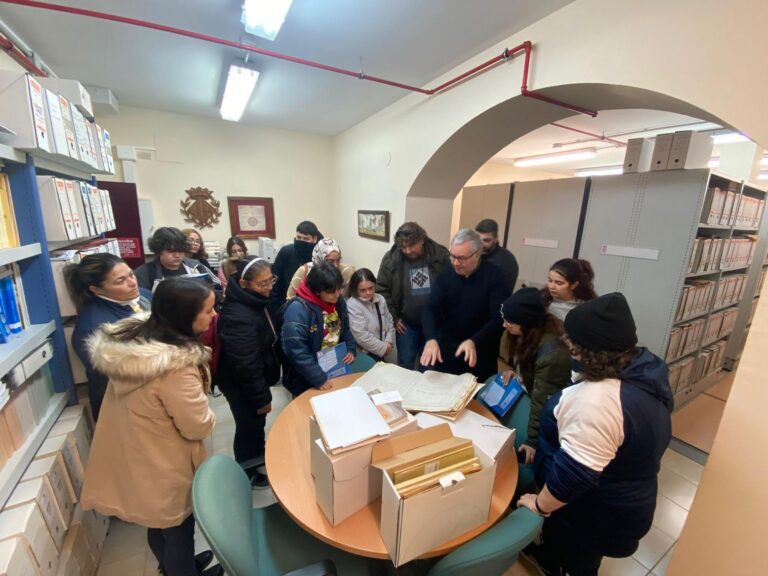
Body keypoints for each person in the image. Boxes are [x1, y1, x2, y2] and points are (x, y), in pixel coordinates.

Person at [518, 293, 673, 576]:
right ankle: (551, 557)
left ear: (587, 350)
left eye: (571, 341)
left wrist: (539, 504)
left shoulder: (597, 401)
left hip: (592, 512)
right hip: (621, 493)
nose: (566, 346)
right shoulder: (643, 369)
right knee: (570, 551)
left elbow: (575, 475)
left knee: (577, 562)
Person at [81, 279, 221, 576]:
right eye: (208, 310)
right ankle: (181, 571)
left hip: (139, 453)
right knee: (178, 530)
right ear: (184, 316)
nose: (214, 316)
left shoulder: (138, 342)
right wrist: (211, 416)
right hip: (163, 460)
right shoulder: (175, 367)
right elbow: (197, 426)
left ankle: (174, 567)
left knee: (157, 523)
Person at [215, 257, 280, 489]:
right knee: (248, 426)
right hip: (240, 383)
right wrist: (262, 397)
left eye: (270, 280)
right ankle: (247, 472)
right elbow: (245, 363)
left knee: (255, 425)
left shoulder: (254, 300)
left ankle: (257, 461)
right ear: (244, 283)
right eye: (262, 283)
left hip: (253, 376)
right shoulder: (237, 315)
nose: (269, 287)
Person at [65, 253, 152, 421]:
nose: (133, 283)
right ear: (96, 289)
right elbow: (117, 375)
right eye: (120, 281)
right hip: (124, 407)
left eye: (131, 274)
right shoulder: (94, 328)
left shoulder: (143, 295)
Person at [421, 228, 510, 380]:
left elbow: (498, 318)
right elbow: (430, 308)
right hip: (448, 348)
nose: (455, 263)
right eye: (452, 256)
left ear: (477, 254)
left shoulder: (495, 277)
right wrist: (430, 339)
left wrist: (474, 341)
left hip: (479, 350)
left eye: (461, 258)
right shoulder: (447, 273)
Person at [499, 287, 571, 464]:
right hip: (530, 393)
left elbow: (542, 401)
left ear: (526, 323)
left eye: (509, 322)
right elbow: (523, 362)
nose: (504, 325)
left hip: (550, 415)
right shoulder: (527, 333)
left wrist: (532, 441)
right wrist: (516, 372)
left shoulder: (552, 354)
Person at [376, 222, 450, 370]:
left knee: (430, 365)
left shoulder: (440, 255)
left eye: (412, 245)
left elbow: (451, 286)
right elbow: (382, 290)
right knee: (405, 363)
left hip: (435, 323)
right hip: (406, 325)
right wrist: (394, 318)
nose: (408, 251)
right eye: (403, 247)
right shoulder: (391, 259)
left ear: (422, 240)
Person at [281, 261, 356, 396]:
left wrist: (350, 348)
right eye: (332, 291)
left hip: (333, 368)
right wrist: (318, 378)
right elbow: (296, 350)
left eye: (339, 288)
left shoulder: (337, 301)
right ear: (317, 291)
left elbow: (345, 328)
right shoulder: (297, 309)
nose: (338, 294)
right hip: (307, 377)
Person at [135, 227, 221, 296]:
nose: (177, 255)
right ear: (159, 251)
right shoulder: (144, 273)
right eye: (171, 251)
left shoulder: (196, 266)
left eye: (181, 251)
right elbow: (142, 303)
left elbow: (217, 288)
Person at [269, 220, 322, 314]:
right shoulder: (286, 252)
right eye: (298, 237)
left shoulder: (319, 255)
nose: (301, 241)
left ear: (314, 239)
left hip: (313, 306)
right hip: (286, 304)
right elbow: (276, 283)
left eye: (305, 239)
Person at [347, 268, 395, 362]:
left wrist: (388, 342)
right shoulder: (352, 304)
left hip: (382, 350)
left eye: (371, 288)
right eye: (363, 290)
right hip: (365, 355)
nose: (368, 293)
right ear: (355, 290)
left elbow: (389, 321)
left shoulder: (380, 299)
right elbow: (362, 336)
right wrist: (384, 348)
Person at [286, 238, 355, 299]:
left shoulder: (346, 272)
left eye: (338, 260)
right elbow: (290, 299)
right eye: (330, 261)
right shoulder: (304, 271)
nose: (335, 265)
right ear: (319, 258)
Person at [475, 218, 519, 292]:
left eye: (486, 240)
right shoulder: (480, 254)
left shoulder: (505, 261)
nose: (480, 244)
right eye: (477, 239)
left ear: (496, 239)